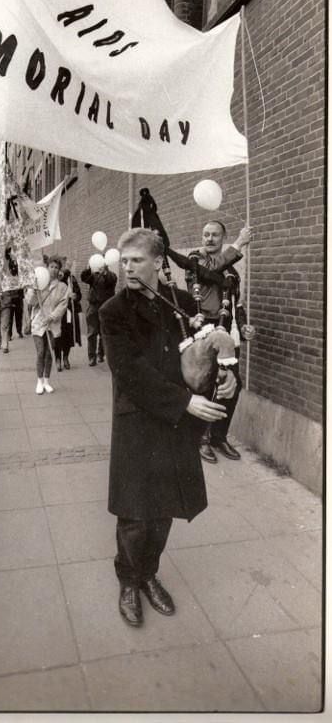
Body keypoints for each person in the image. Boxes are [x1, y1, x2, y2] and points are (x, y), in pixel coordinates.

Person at [99, 228, 237, 627]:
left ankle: (149, 575)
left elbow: (206, 348)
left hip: (177, 425)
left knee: (164, 509)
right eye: (123, 261)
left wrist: (225, 375)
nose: (127, 268)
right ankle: (128, 580)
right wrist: (184, 401)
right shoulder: (113, 311)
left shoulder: (178, 302)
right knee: (135, 512)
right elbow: (129, 374)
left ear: (159, 263)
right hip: (140, 421)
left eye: (136, 260)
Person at [187, 220, 251, 463]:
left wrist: (243, 325)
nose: (209, 239)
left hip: (228, 331)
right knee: (207, 383)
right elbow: (211, 270)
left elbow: (238, 303)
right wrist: (239, 244)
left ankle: (219, 436)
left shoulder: (232, 269)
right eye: (206, 234)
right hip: (206, 330)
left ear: (222, 238)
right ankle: (201, 437)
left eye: (215, 235)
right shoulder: (196, 260)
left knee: (234, 384)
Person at [24, 256, 68, 394]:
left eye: (56, 267)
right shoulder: (39, 283)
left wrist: (52, 316)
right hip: (38, 322)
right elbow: (30, 302)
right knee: (41, 352)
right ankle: (39, 381)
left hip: (53, 324)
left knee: (49, 353)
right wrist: (33, 289)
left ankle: (47, 381)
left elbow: (63, 304)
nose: (53, 270)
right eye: (51, 267)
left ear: (59, 270)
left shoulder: (62, 287)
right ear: (46, 268)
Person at [81, 261, 117, 366]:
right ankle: (92, 357)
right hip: (93, 307)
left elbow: (111, 280)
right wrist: (88, 268)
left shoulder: (111, 276)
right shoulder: (94, 276)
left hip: (106, 307)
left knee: (104, 332)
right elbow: (84, 278)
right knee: (92, 333)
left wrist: (105, 273)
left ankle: (101, 354)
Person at [54, 264, 82, 371]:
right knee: (57, 336)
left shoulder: (71, 279)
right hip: (57, 312)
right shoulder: (54, 280)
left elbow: (79, 295)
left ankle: (65, 357)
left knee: (68, 336)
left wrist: (75, 296)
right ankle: (57, 359)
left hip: (69, 312)